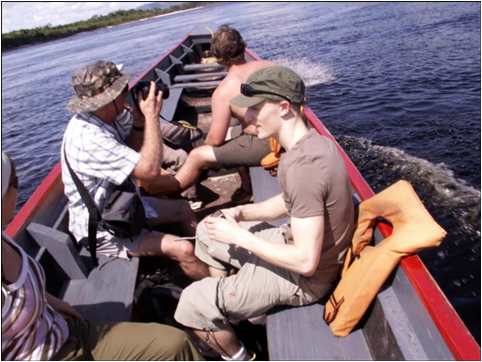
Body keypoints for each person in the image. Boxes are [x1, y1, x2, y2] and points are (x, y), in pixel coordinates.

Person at [173, 66, 355, 360]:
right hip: (294, 245)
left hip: (305, 280)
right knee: (208, 230)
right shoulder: (312, 143)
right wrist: (243, 213)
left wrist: (240, 238)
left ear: (284, 108)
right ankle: (232, 307)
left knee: (191, 304)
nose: (247, 118)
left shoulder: (302, 167)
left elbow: (306, 262)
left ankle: (242, 352)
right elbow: (291, 202)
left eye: (256, 109)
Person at [1, 152, 202, 361]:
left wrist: (51, 302)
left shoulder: (4, 239)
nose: (17, 186)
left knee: (176, 344)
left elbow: (27, 287)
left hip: (68, 330)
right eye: (13, 181)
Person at [61, 60, 208, 279]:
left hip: (125, 204)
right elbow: (149, 171)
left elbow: (132, 149)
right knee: (182, 249)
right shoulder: (88, 137)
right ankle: (221, 297)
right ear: (108, 99)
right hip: (104, 227)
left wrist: (139, 122)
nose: (126, 95)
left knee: (183, 209)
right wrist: (151, 117)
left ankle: (209, 260)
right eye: (122, 91)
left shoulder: (108, 117)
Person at [142, 25, 274, 198]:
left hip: (266, 141)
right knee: (234, 132)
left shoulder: (223, 91)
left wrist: (202, 150)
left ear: (218, 57)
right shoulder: (270, 66)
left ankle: (170, 190)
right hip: (283, 130)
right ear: (243, 46)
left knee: (197, 156)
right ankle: (246, 187)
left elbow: (215, 139)